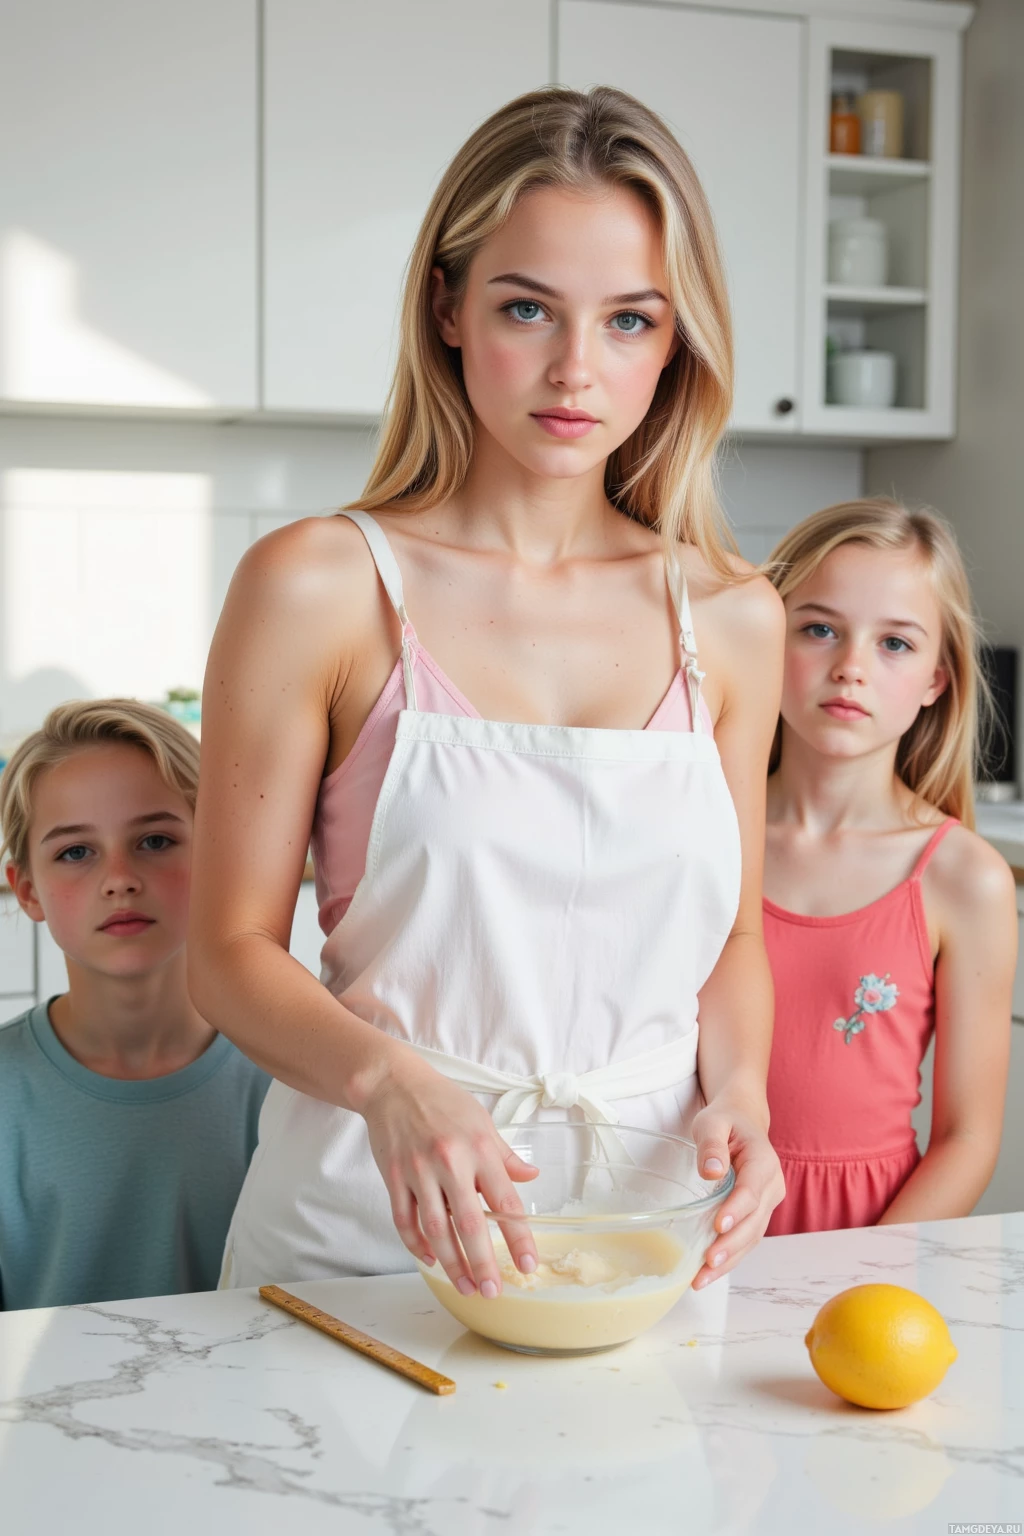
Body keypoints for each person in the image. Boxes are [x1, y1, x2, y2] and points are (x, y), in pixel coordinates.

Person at [189, 86, 786, 1300]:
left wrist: (743, 1095)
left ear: (677, 343)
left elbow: (730, 940)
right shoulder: (321, 584)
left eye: (630, 320)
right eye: (529, 309)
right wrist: (390, 1083)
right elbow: (227, 953)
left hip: (645, 1231)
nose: (578, 369)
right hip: (371, 1220)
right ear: (447, 308)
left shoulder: (728, 616)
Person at [762, 499, 1017, 1236]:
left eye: (894, 645)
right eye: (819, 629)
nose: (850, 668)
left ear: (938, 679)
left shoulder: (962, 879)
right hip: (691, 1222)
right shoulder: (704, 831)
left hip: (870, 1240)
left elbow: (969, 1140)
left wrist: (867, 1267)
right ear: (765, 639)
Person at [0, 700, 270, 1309]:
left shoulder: (293, 1083)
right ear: (27, 890)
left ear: (216, 858)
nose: (119, 878)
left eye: (154, 840)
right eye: (76, 852)